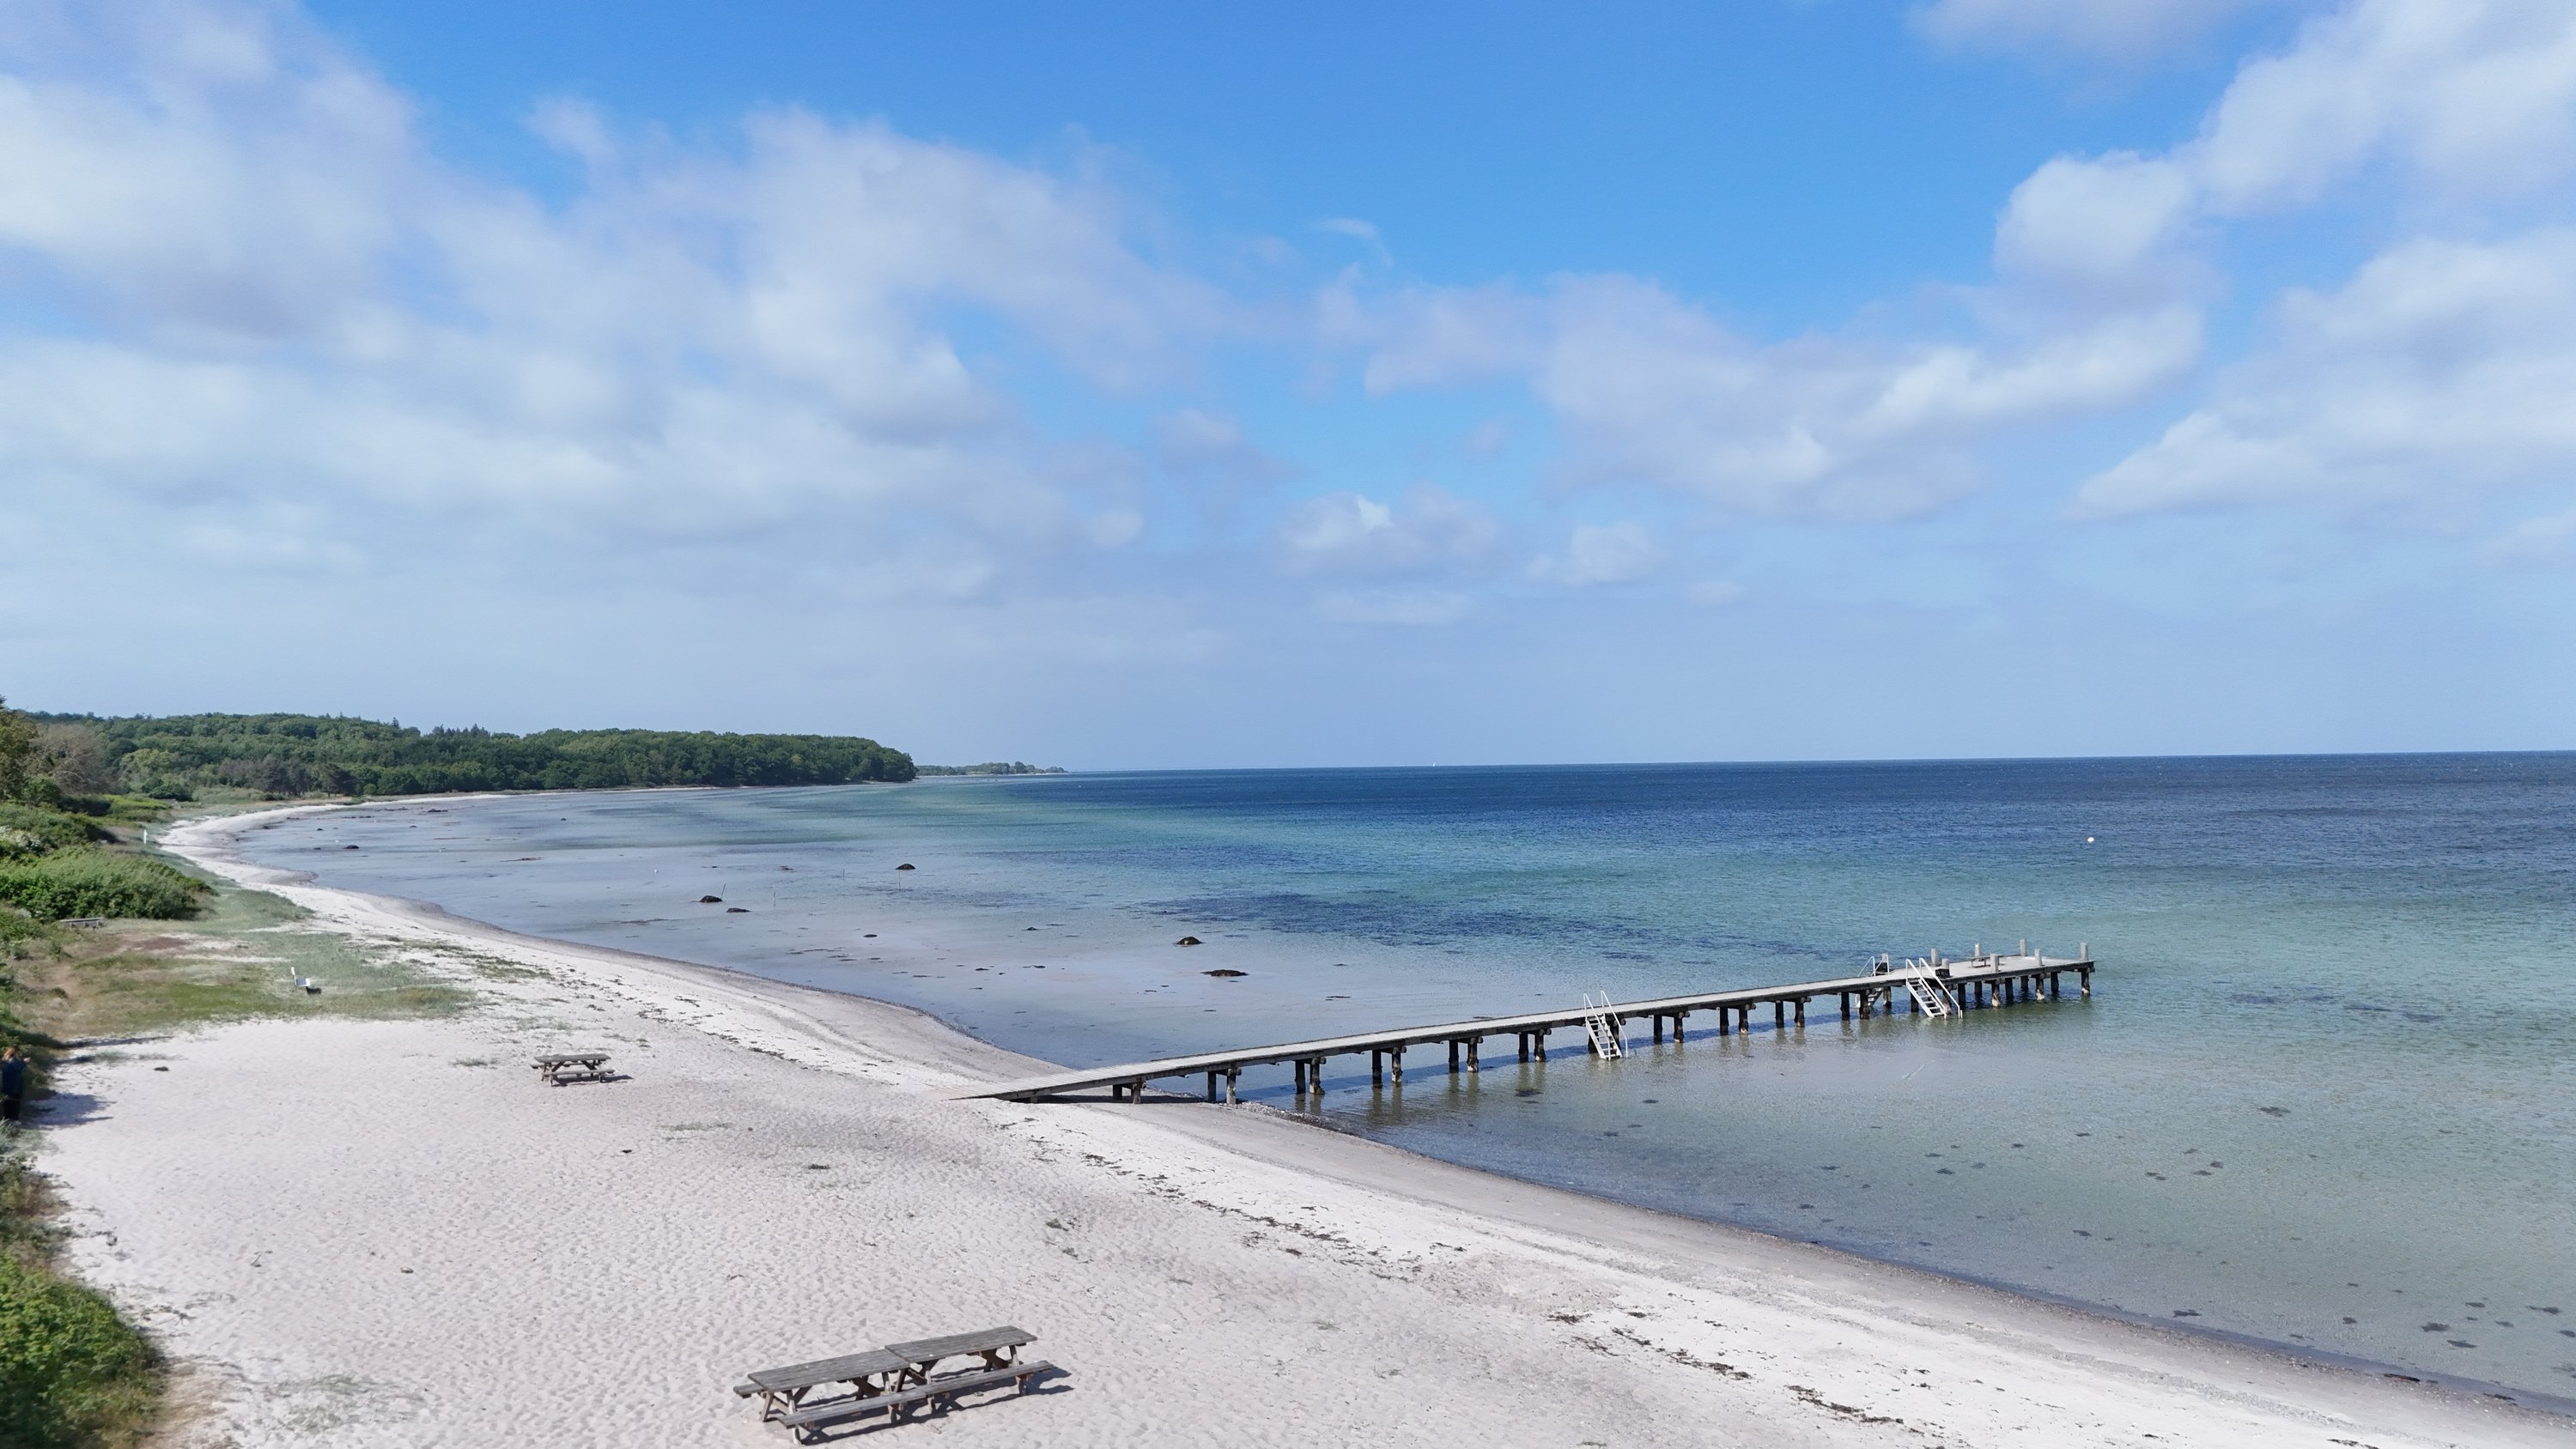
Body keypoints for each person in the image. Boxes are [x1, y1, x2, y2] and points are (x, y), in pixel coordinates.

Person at [1, 1045, 26, 1124]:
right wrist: (24, 1062)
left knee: (7, 1102)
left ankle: (7, 1119)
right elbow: (19, 1069)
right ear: (15, 1053)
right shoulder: (13, 1060)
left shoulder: (4, 1061)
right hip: (15, 1084)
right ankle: (14, 1119)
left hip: (6, 1084)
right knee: (15, 1103)